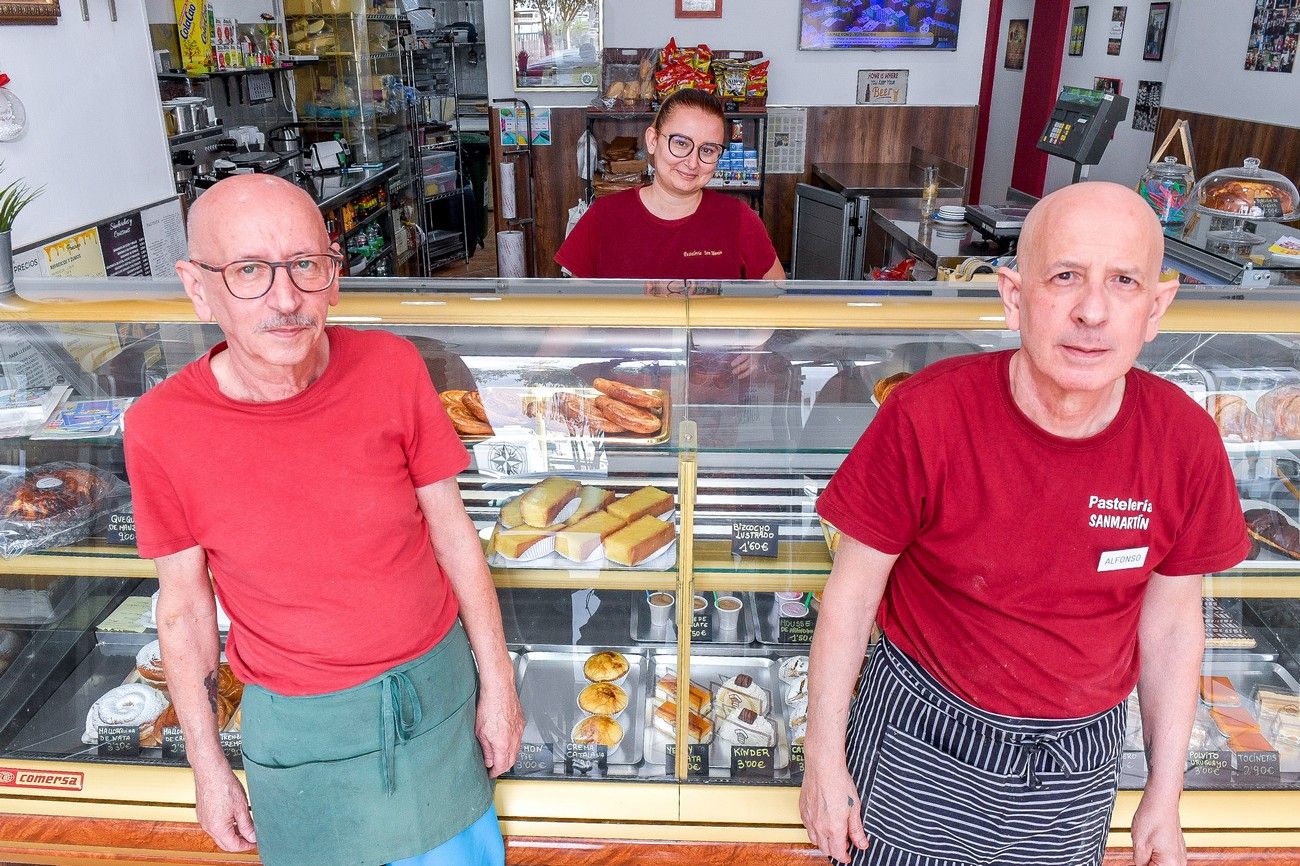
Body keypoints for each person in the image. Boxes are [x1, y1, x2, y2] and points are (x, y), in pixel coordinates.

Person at [800, 182, 1250, 866]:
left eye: (1123, 282)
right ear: (1014, 297)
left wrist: (1164, 791)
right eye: (1065, 277)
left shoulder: (1185, 442)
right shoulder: (927, 414)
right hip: (919, 741)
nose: (1092, 311)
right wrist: (823, 765)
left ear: (1156, 308)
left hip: (1076, 766)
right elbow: (851, 597)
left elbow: (1170, 624)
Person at [123, 174, 522, 866]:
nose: (286, 299)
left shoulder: (393, 367)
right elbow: (183, 609)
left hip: (435, 701)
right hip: (300, 729)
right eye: (249, 271)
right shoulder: (159, 428)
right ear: (197, 287)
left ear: (333, 275)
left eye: (306, 265)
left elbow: (454, 536)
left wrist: (500, 687)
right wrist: (208, 767)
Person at [555, 88, 784, 281]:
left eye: (707, 150)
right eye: (681, 143)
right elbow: (572, 318)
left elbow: (776, 307)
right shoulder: (603, 216)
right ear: (653, 140)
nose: (692, 163)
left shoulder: (740, 219)